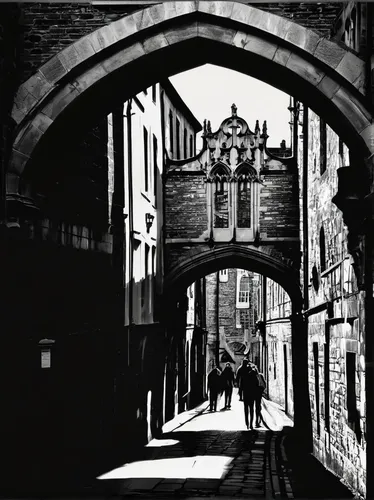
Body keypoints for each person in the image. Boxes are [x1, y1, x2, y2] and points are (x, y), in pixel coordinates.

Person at [241, 362, 259, 429]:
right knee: (251, 409)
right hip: (252, 395)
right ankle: (251, 424)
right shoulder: (254, 377)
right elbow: (257, 386)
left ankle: (247, 424)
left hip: (246, 395)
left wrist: (241, 395)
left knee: (246, 410)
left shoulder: (244, 377)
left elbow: (241, 387)